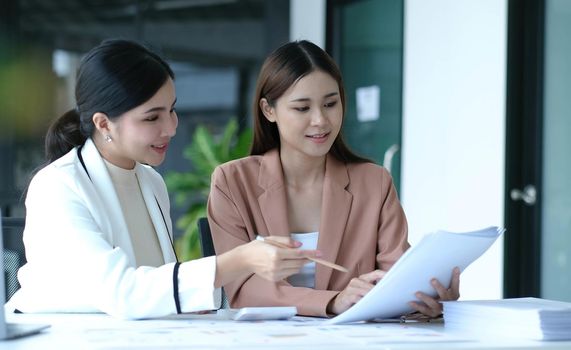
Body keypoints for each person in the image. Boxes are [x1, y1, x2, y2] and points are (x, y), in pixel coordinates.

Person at [8, 39, 319, 319]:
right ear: (103, 123)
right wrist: (242, 259)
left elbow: (158, 283)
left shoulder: (150, 181)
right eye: (152, 117)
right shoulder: (57, 187)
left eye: (171, 110)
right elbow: (123, 293)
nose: (170, 127)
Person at [208, 40, 460, 318]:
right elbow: (243, 289)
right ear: (269, 110)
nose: (320, 120)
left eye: (330, 103)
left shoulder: (374, 182)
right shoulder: (232, 181)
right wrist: (332, 301)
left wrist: (427, 298)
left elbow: (395, 277)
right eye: (302, 108)